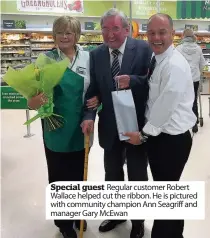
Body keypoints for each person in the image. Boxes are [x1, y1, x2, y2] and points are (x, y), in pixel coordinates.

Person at [124, 13, 197, 238]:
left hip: (170, 141)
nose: (156, 37)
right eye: (152, 33)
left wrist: (143, 136)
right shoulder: (159, 59)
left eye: (162, 32)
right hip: (163, 138)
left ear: (173, 34)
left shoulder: (173, 65)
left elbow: (164, 108)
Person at [82, 8, 152, 238]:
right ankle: (116, 213)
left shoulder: (142, 49)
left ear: (125, 29)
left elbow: (153, 83)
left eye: (115, 28)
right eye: (105, 28)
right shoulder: (96, 54)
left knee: (137, 176)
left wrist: (132, 80)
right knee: (112, 174)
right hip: (110, 127)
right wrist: (90, 114)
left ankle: (138, 221)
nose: (109, 34)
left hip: (135, 126)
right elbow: (94, 91)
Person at [28, 16, 98, 238]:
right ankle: (64, 223)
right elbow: (31, 98)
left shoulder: (88, 58)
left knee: (80, 174)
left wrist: (96, 104)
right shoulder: (45, 60)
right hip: (55, 128)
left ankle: (78, 214)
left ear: (77, 35)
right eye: (60, 32)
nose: (65, 36)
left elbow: (95, 91)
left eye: (69, 32)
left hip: (82, 127)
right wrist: (33, 102)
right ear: (54, 35)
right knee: (58, 176)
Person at [176, 28, 206, 133]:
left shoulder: (178, 48)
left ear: (183, 36)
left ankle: (184, 121)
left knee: (183, 101)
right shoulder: (198, 48)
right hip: (195, 79)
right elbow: (203, 64)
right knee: (193, 100)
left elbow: (175, 64)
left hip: (183, 80)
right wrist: (198, 71)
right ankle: (195, 122)